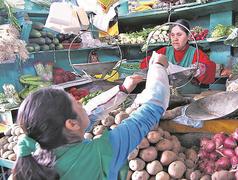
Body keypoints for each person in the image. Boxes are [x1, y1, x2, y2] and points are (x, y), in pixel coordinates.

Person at [12, 52, 170, 180]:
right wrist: (158, 66)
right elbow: (154, 106)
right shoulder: (101, 152)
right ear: (72, 124)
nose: (82, 105)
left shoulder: (38, 155)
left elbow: (89, 114)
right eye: (77, 103)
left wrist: (122, 89)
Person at [140, 19, 216, 94]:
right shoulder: (164, 51)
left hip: (189, 95)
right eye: (172, 35)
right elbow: (144, 64)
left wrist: (201, 69)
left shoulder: (195, 53)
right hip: (166, 95)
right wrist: (155, 63)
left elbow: (210, 70)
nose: (175, 38)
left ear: (188, 36)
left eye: (179, 34)